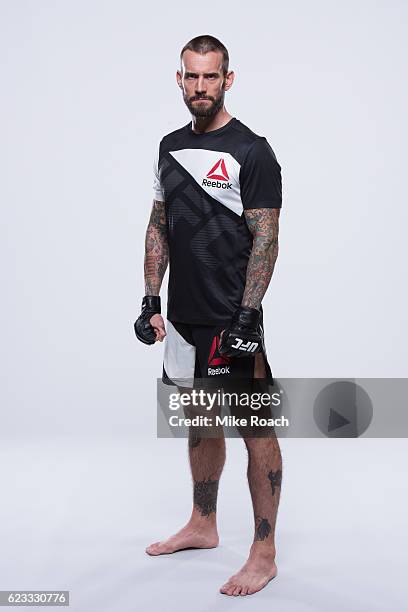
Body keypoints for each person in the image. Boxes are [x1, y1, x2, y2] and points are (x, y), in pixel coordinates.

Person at [134, 34, 283, 597]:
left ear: (228, 79)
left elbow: (266, 239)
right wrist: (151, 297)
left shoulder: (252, 151)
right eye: (191, 77)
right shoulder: (169, 147)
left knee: (256, 428)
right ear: (180, 79)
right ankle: (203, 524)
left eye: (211, 77)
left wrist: (248, 317)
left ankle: (264, 552)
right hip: (182, 317)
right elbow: (157, 223)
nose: (200, 87)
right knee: (198, 421)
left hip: (230, 317)